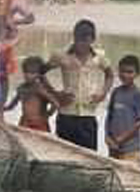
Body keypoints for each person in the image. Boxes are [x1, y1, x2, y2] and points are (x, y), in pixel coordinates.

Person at [46, 19, 114, 152]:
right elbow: (41, 73)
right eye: (78, 40)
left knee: (89, 156)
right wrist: (56, 94)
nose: (81, 44)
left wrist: (103, 93)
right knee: (63, 155)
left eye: (85, 41)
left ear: (92, 40)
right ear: (74, 37)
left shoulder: (99, 57)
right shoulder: (61, 55)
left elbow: (110, 75)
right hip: (66, 114)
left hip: (88, 115)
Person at [105, 55, 140, 165]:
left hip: (130, 150)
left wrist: (121, 139)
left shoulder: (138, 95)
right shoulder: (116, 92)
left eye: (130, 72)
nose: (125, 75)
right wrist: (107, 137)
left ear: (137, 74)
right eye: (122, 71)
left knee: (130, 173)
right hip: (113, 147)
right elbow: (109, 116)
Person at [5, 56, 60, 132]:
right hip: (25, 122)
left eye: (32, 73)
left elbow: (55, 103)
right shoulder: (21, 88)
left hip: (39, 123)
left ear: (39, 74)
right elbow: (11, 105)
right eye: (26, 72)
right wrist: (0, 109)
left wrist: (48, 115)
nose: (28, 75)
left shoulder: (39, 88)